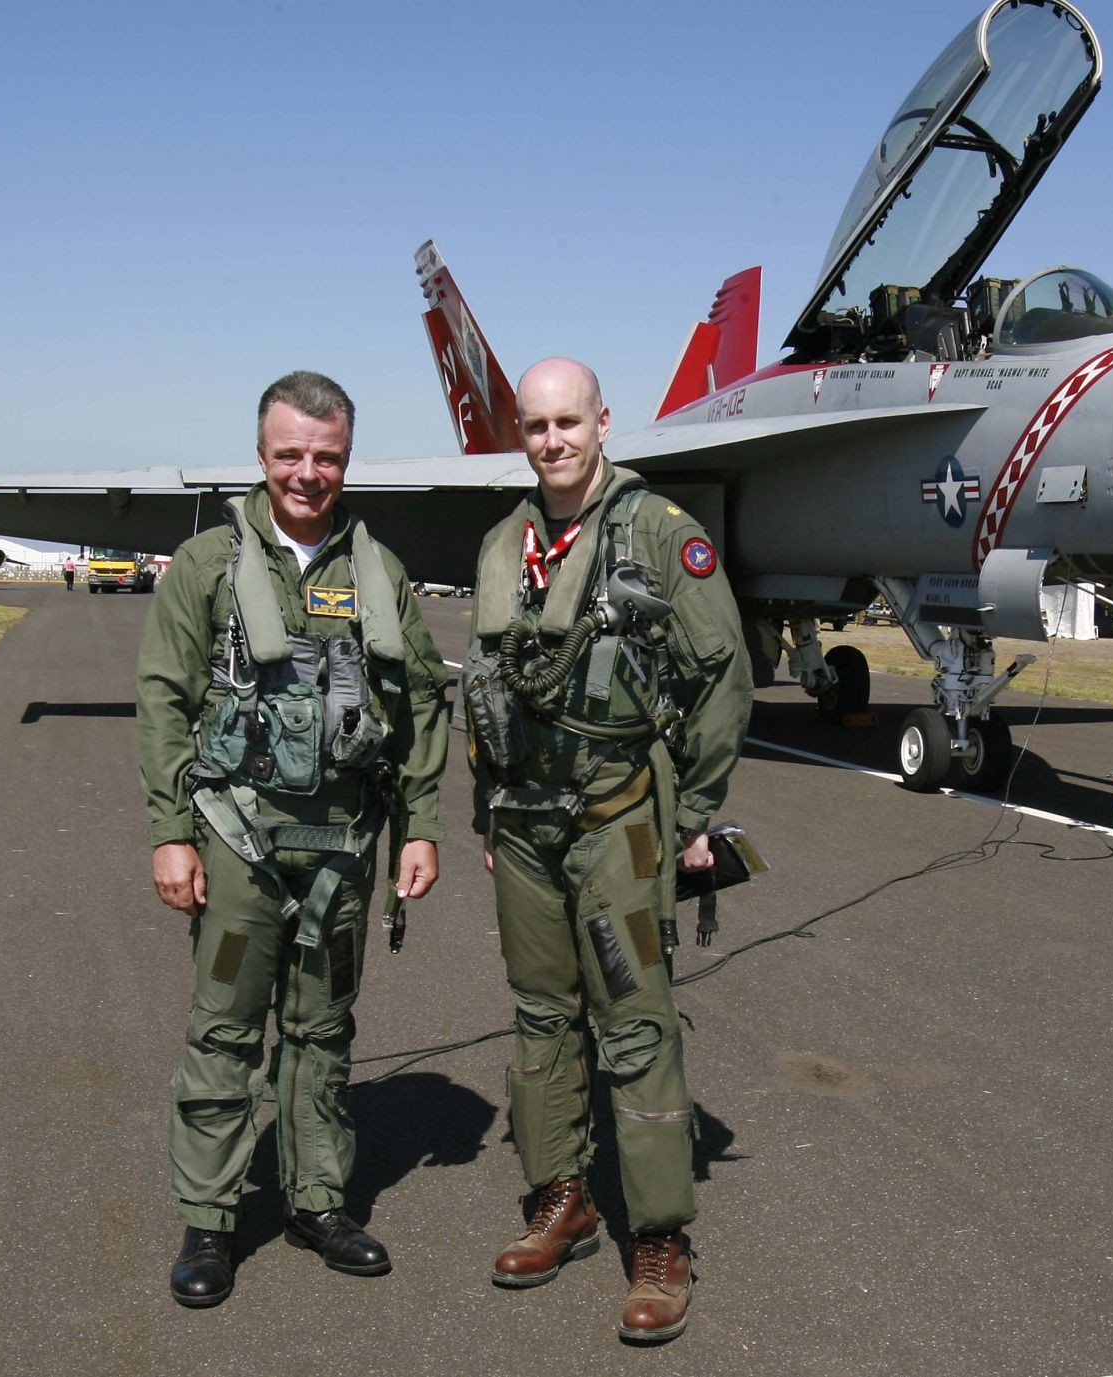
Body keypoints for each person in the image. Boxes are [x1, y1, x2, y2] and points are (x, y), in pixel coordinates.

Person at [137, 371, 450, 1308]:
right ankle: (211, 1218)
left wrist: (419, 825)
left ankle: (318, 1200)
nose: (308, 473)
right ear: (262, 455)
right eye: (290, 455)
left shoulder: (380, 573)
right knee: (227, 1030)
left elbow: (420, 702)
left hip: (346, 847)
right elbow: (163, 698)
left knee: (323, 1028)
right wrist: (170, 833)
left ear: (345, 459)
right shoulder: (206, 566)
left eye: (327, 456)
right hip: (237, 840)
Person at [462, 358, 751, 1344]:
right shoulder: (506, 542)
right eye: (535, 426)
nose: (551, 440)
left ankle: (661, 1239)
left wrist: (697, 811)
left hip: (618, 823)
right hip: (526, 828)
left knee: (631, 1023)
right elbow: (485, 689)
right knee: (542, 1015)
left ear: (601, 423)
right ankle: (562, 1200)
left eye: (566, 422)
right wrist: (482, 816)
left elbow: (722, 675)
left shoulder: (661, 536)